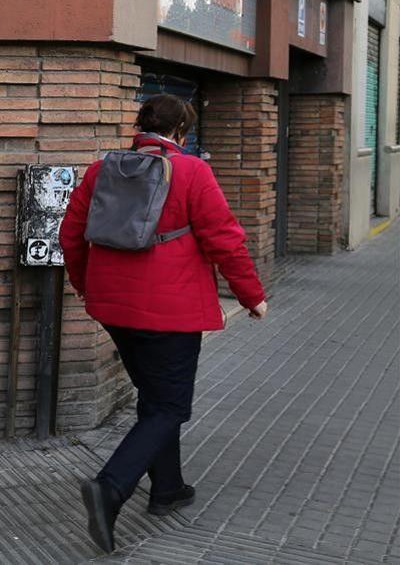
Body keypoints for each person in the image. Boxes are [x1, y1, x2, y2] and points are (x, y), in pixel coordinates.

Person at [58, 94, 268, 553]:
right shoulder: (193, 172)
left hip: (113, 308)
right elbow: (225, 241)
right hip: (170, 314)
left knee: (155, 398)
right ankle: (110, 488)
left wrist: (84, 286)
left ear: (140, 127)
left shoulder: (101, 170)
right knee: (170, 406)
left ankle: (167, 488)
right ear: (180, 134)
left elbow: (70, 235)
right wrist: (251, 295)